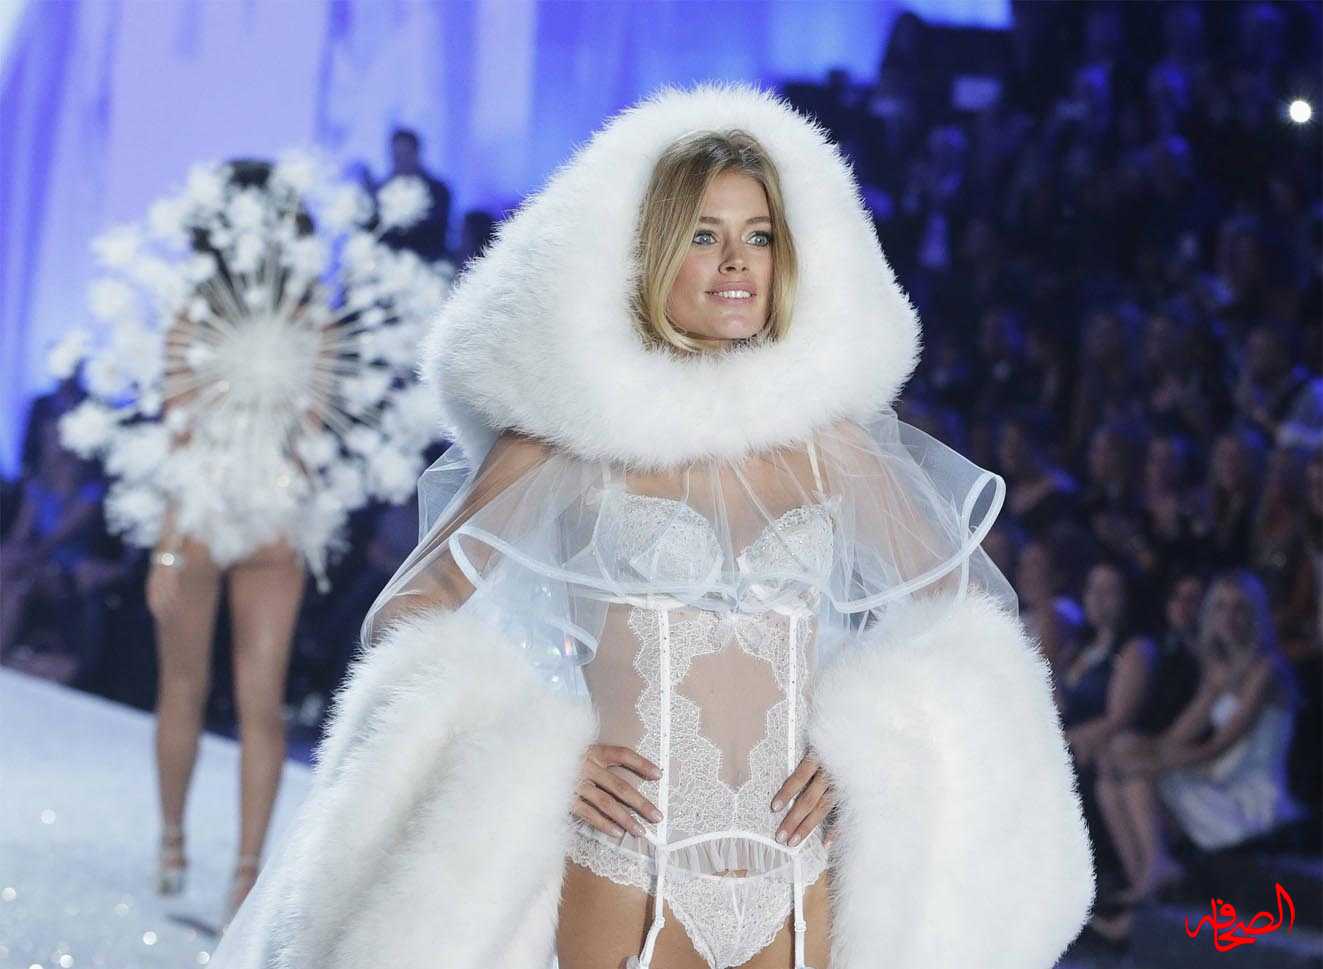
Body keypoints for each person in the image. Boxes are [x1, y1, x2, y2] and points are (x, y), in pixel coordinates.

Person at [210, 83, 1093, 969]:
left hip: (797, 863)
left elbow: (960, 617)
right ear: (653, 253)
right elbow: (407, 612)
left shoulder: (830, 445)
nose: (736, 262)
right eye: (704, 236)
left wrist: (866, 749)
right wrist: (537, 750)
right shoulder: (572, 436)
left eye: (758, 236)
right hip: (625, 856)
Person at [1086, 570, 1303, 947]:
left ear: (1255, 614)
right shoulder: (1220, 673)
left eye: (1240, 608)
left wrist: (1147, 764)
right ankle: (1147, 882)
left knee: (1136, 777)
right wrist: (1127, 751)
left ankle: (1149, 881)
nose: (1229, 617)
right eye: (1221, 608)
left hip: (1250, 795)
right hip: (1218, 777)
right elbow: (1175, 738)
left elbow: (1219, 746)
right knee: (1115, 768)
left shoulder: (1266, 671)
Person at [378, 127, 452, 263]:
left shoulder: (438, 191)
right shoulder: (381, 191)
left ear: (417, 153)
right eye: (397, 156)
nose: (401, 161)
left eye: (406, 155)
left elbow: (435, 234)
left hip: (426, 264)